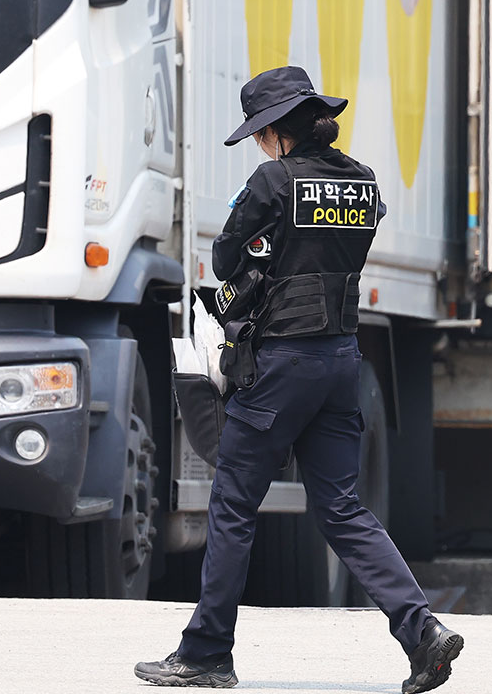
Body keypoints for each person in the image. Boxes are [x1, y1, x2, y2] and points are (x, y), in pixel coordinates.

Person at [135, 66, 463, 693]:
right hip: (341, 360)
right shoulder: (362, 181)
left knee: (233, 503)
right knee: (341, 508)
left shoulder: (273, 181)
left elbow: (226, 259)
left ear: (276, 132)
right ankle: (422, 633)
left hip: (281, 364)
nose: (259, 145)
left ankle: (206, 652)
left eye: (260, 134)